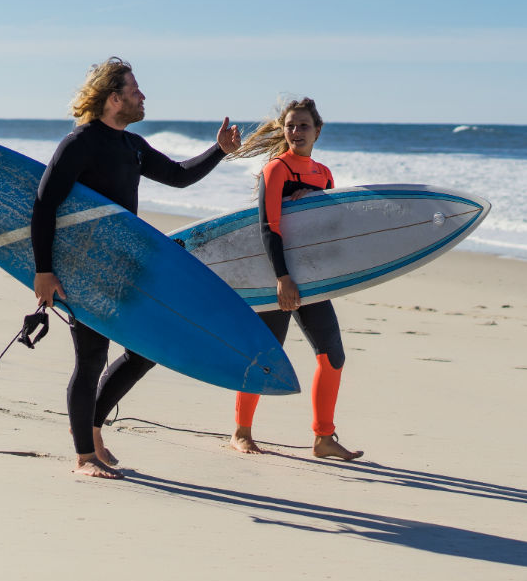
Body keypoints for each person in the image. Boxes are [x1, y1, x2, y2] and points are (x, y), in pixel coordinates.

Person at [31, 57, 241, 479]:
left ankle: (91, 431)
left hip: (123, 267)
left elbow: (179, 177)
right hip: (85, 266)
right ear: (113, 98)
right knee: (91, 359)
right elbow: (44, 204)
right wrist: (43, 271)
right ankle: (84, 456)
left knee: (145, 351)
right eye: (135, 89)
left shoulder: (132, 145)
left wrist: (219, 150)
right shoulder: (80, 143)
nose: (143, 96)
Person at [228, 97, 363, 462]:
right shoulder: (277, 170)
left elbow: (328, 230)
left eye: (304, 125)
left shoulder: (324, 174)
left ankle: (323, 438)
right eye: (290, 125)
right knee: (266, 356)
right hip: (280, 276)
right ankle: (240, 432)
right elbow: (269, 227)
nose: (296, 131)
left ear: (318, 130)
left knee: (332, 356)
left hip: (313, 278)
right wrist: (282, 278)